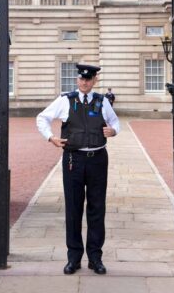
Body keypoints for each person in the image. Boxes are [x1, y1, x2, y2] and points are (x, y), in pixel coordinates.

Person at [37, 63, 119, 275]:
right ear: (77, 80)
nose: (84, 82)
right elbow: (42, 118)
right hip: (73, 159)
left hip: (98, 159)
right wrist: (50, 137)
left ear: (94, 81)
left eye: (88, 79)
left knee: (96, 208)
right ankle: (73, 258)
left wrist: (113, 131)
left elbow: (115, 122)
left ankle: (95, 258)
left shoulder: (102, 102)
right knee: (73, 208)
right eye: (82, 79)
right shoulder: (65, 100)